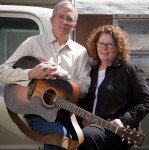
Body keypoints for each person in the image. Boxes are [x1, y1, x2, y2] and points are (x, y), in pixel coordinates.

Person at [0, 1, 91, 149]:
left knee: (83, 141)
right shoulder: (32, 43)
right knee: (60, 136)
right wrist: (30, 73)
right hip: (36, 112)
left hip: (66, 112)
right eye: (61, 17)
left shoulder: (81, 52)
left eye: (69, 19)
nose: (64, 22)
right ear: (52, 20)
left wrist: (66, 76)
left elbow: (85, 88)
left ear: (74, 25)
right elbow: (2, 72)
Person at [77, 25, 149, 150]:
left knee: (86, 137)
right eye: (101, 44)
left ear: (118, 47)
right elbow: (84, 101)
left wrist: (123, 121)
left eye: (110, 44)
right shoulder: (91, 71)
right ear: (96, 46)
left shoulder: (129, 69)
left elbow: (146, 100)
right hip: (92, 127)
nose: (104, 48)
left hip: (118, 130)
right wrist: (82, 118)